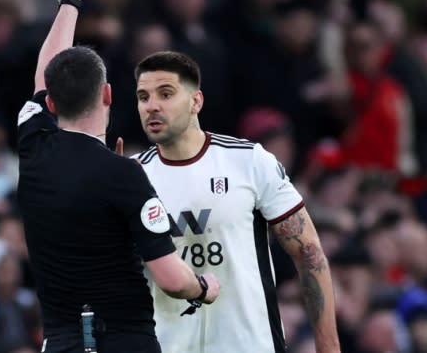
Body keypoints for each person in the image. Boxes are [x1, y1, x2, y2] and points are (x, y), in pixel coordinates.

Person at [15, 0, 220, 353]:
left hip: (60, 343)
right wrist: (204, 288)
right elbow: (171, 279)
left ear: (51, 104)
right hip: (122, 342)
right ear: (108, 95)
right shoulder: (123, 175)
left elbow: (44, 74)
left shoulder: (33, 145)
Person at [127, 51, 340, 352]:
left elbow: (309, 252)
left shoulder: (249, 161)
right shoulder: (130, 176)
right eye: (143, 97)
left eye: (166, 94)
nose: (152, 106)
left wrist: (328, 345)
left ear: (196, 101)